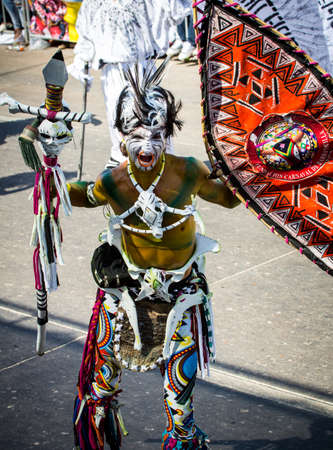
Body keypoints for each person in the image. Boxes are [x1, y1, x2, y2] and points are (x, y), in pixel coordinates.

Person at [68, 61, 240, 449]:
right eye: (137, 135)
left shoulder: (189, 172)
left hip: (179, 296)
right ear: (122, 135)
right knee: (102, 386)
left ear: (168, 134)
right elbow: (80, 195)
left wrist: (249, 168)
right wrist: (48, 161)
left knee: (179, 402)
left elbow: (230, 199)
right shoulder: (114, 181)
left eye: (156, 135)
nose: (146, 146)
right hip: (125, 296)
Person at [67, 0, 187, 169]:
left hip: (144, 66)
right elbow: (86, 32)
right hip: (113, 69)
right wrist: (81, 62)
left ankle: (163, 166)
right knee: (119, 119)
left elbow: (174, 12)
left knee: (154, 118)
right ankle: (124, 167)